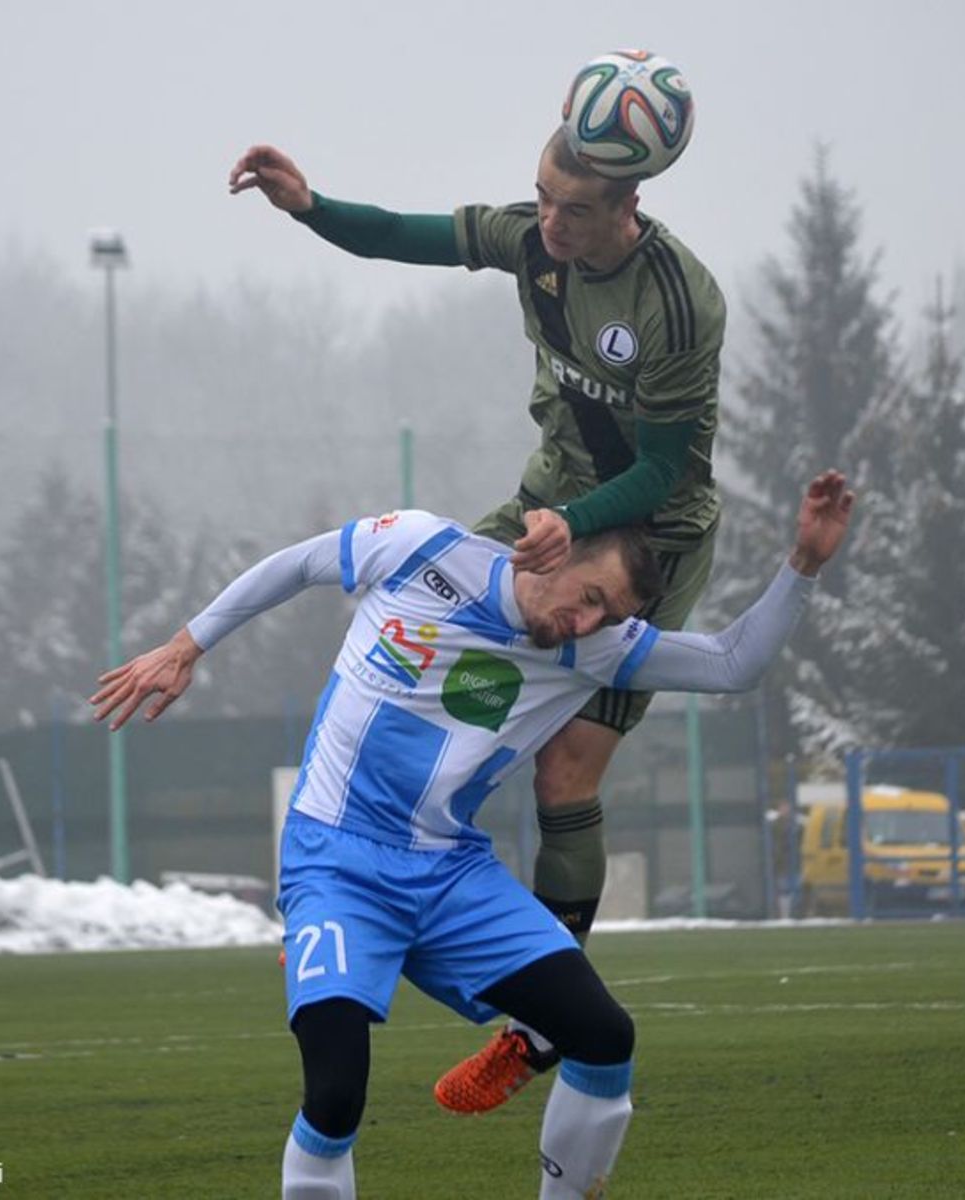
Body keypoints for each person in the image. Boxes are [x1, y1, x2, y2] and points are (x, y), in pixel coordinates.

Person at [93, 473, 853, 1199]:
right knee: (334, 1095)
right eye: (590, 598)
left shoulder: (595, 650)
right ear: (552, 555)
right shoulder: (422, 548)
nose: (588, 624)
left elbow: (733, 662)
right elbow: (301, 564)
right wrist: (187, 644)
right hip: (335, 862)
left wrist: (804, 565)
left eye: (609, 617)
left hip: (450, 875)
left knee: (602, 1036)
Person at [230, 116, 729, 1112]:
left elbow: (665, 469)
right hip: (547, 508)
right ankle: (361, 876)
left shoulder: (679, 300)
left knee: (565, 765)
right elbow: (406, 236)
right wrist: (311, 207)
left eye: (572, 210)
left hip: (644, 537)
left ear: (628, 206)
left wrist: (570, 527)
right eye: (540, 199)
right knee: (441, 623)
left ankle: (536, 1033)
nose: (548, 223)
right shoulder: (533, 238)